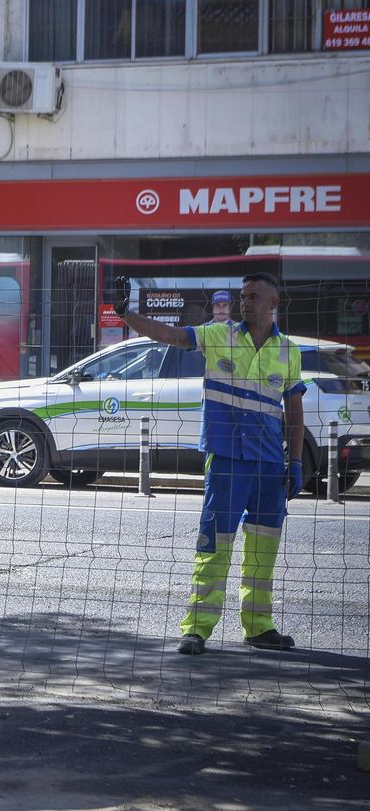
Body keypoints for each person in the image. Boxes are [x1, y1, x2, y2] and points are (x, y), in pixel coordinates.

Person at [111, 272, 304, 656]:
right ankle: (197, 629)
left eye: (253, 296)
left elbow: (295, 413)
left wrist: (295, 462)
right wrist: (126, 314)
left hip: (269, 465)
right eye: (242, 296)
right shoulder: (220, 335)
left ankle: (259, 626)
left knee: (263, 551)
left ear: (273, 303)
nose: (245, 302)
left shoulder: (289, 351)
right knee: (214, 545)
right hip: (227, 459)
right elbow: (171, 336)